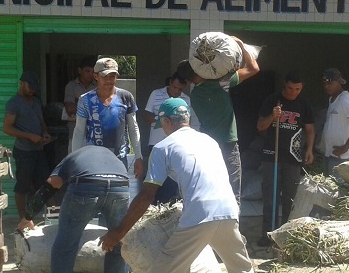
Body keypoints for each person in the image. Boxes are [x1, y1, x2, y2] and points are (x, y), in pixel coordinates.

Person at [100, 98, 277, 273]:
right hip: (228, 209)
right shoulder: (209, 141)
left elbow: (147, 194)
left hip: (199, 217)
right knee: (241, 268)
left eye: (162, 124)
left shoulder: (163, 147)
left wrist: (118, 232)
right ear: (188, 120)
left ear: (166, 123)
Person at [17, 145, 131, 273]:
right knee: (118, 237)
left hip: (86, 187)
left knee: (66, 241)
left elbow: (51, 185)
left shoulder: (71, 158)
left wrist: (27, 217)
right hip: (120, 187)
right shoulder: (111, 156)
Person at [176, 36, 259, 204]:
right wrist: (241, 44)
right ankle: (232, 227)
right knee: (233, 191)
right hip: (228, 145)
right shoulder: (221, 83)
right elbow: (254, 68)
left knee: (212, 190)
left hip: (208, 147)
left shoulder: (195, 95)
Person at [256, 71, 315, 246]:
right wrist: (273, 116)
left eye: (298, 89)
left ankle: (288, 236)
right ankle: (268, 234)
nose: (293, 93)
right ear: (285, 85)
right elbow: (260, 126)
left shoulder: (304, 104)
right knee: (270, 197)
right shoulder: (272, 100)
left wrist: (309, 149)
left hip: (293, 157)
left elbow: (310, 130)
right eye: (290, 88)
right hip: (271, 155)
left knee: (291, 198)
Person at [72, 56, 144, 179]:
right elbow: (79, 131)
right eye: (104, 76)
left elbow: (133, 127)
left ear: (117, 76)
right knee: (95, 195)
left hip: (119, 158)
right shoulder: (85, 100)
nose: (108, 80)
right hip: (93, 159)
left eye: (112, 76)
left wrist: (138, 157)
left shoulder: (126, 97)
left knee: (118, 194)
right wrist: (75, 160)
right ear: (96, 76)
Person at [143, 71, 198, 204]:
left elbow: (188, 123)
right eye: (174, 87)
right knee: (154, 179)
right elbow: (146, 115)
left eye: (180, 89)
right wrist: (162, 119)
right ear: (170, 83)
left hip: (176, 145)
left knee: (172, 180)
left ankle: (168, 208)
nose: (176, 91)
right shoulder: (156, 94)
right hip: (156, 143)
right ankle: (153, 207)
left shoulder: (186, 100)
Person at [3, 71, 51, 219]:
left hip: (39, 150)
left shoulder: (35, 101)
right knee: (23, 186)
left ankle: (49, 216)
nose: (33, 90)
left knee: (47, 183)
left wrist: (45, 132)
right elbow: (7, 128)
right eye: (30, 87)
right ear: (22, 84)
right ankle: (22, 219)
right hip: (24, 151)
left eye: (35, 88)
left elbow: (41, 121)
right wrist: (29, 136)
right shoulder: (14, 103)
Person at [319, 68, 349, 177]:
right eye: (324, 83)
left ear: (339, 81)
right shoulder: (333, 99)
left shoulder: (344, 99)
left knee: (337, 188)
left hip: (340, 156)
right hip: (330, 153)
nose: (326, 86)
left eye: (330, 83)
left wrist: (346, 147)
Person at [63, 56, 97, 152]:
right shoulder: (71, 86)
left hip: (94, 134)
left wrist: (79, 104)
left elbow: (103, 108)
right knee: (75, 163)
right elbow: (70, 108)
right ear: (79, 70)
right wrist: (93, 109)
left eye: (92, 72)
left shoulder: (98, 86)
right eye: (87, 71)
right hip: (75, 132)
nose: (90, 74)